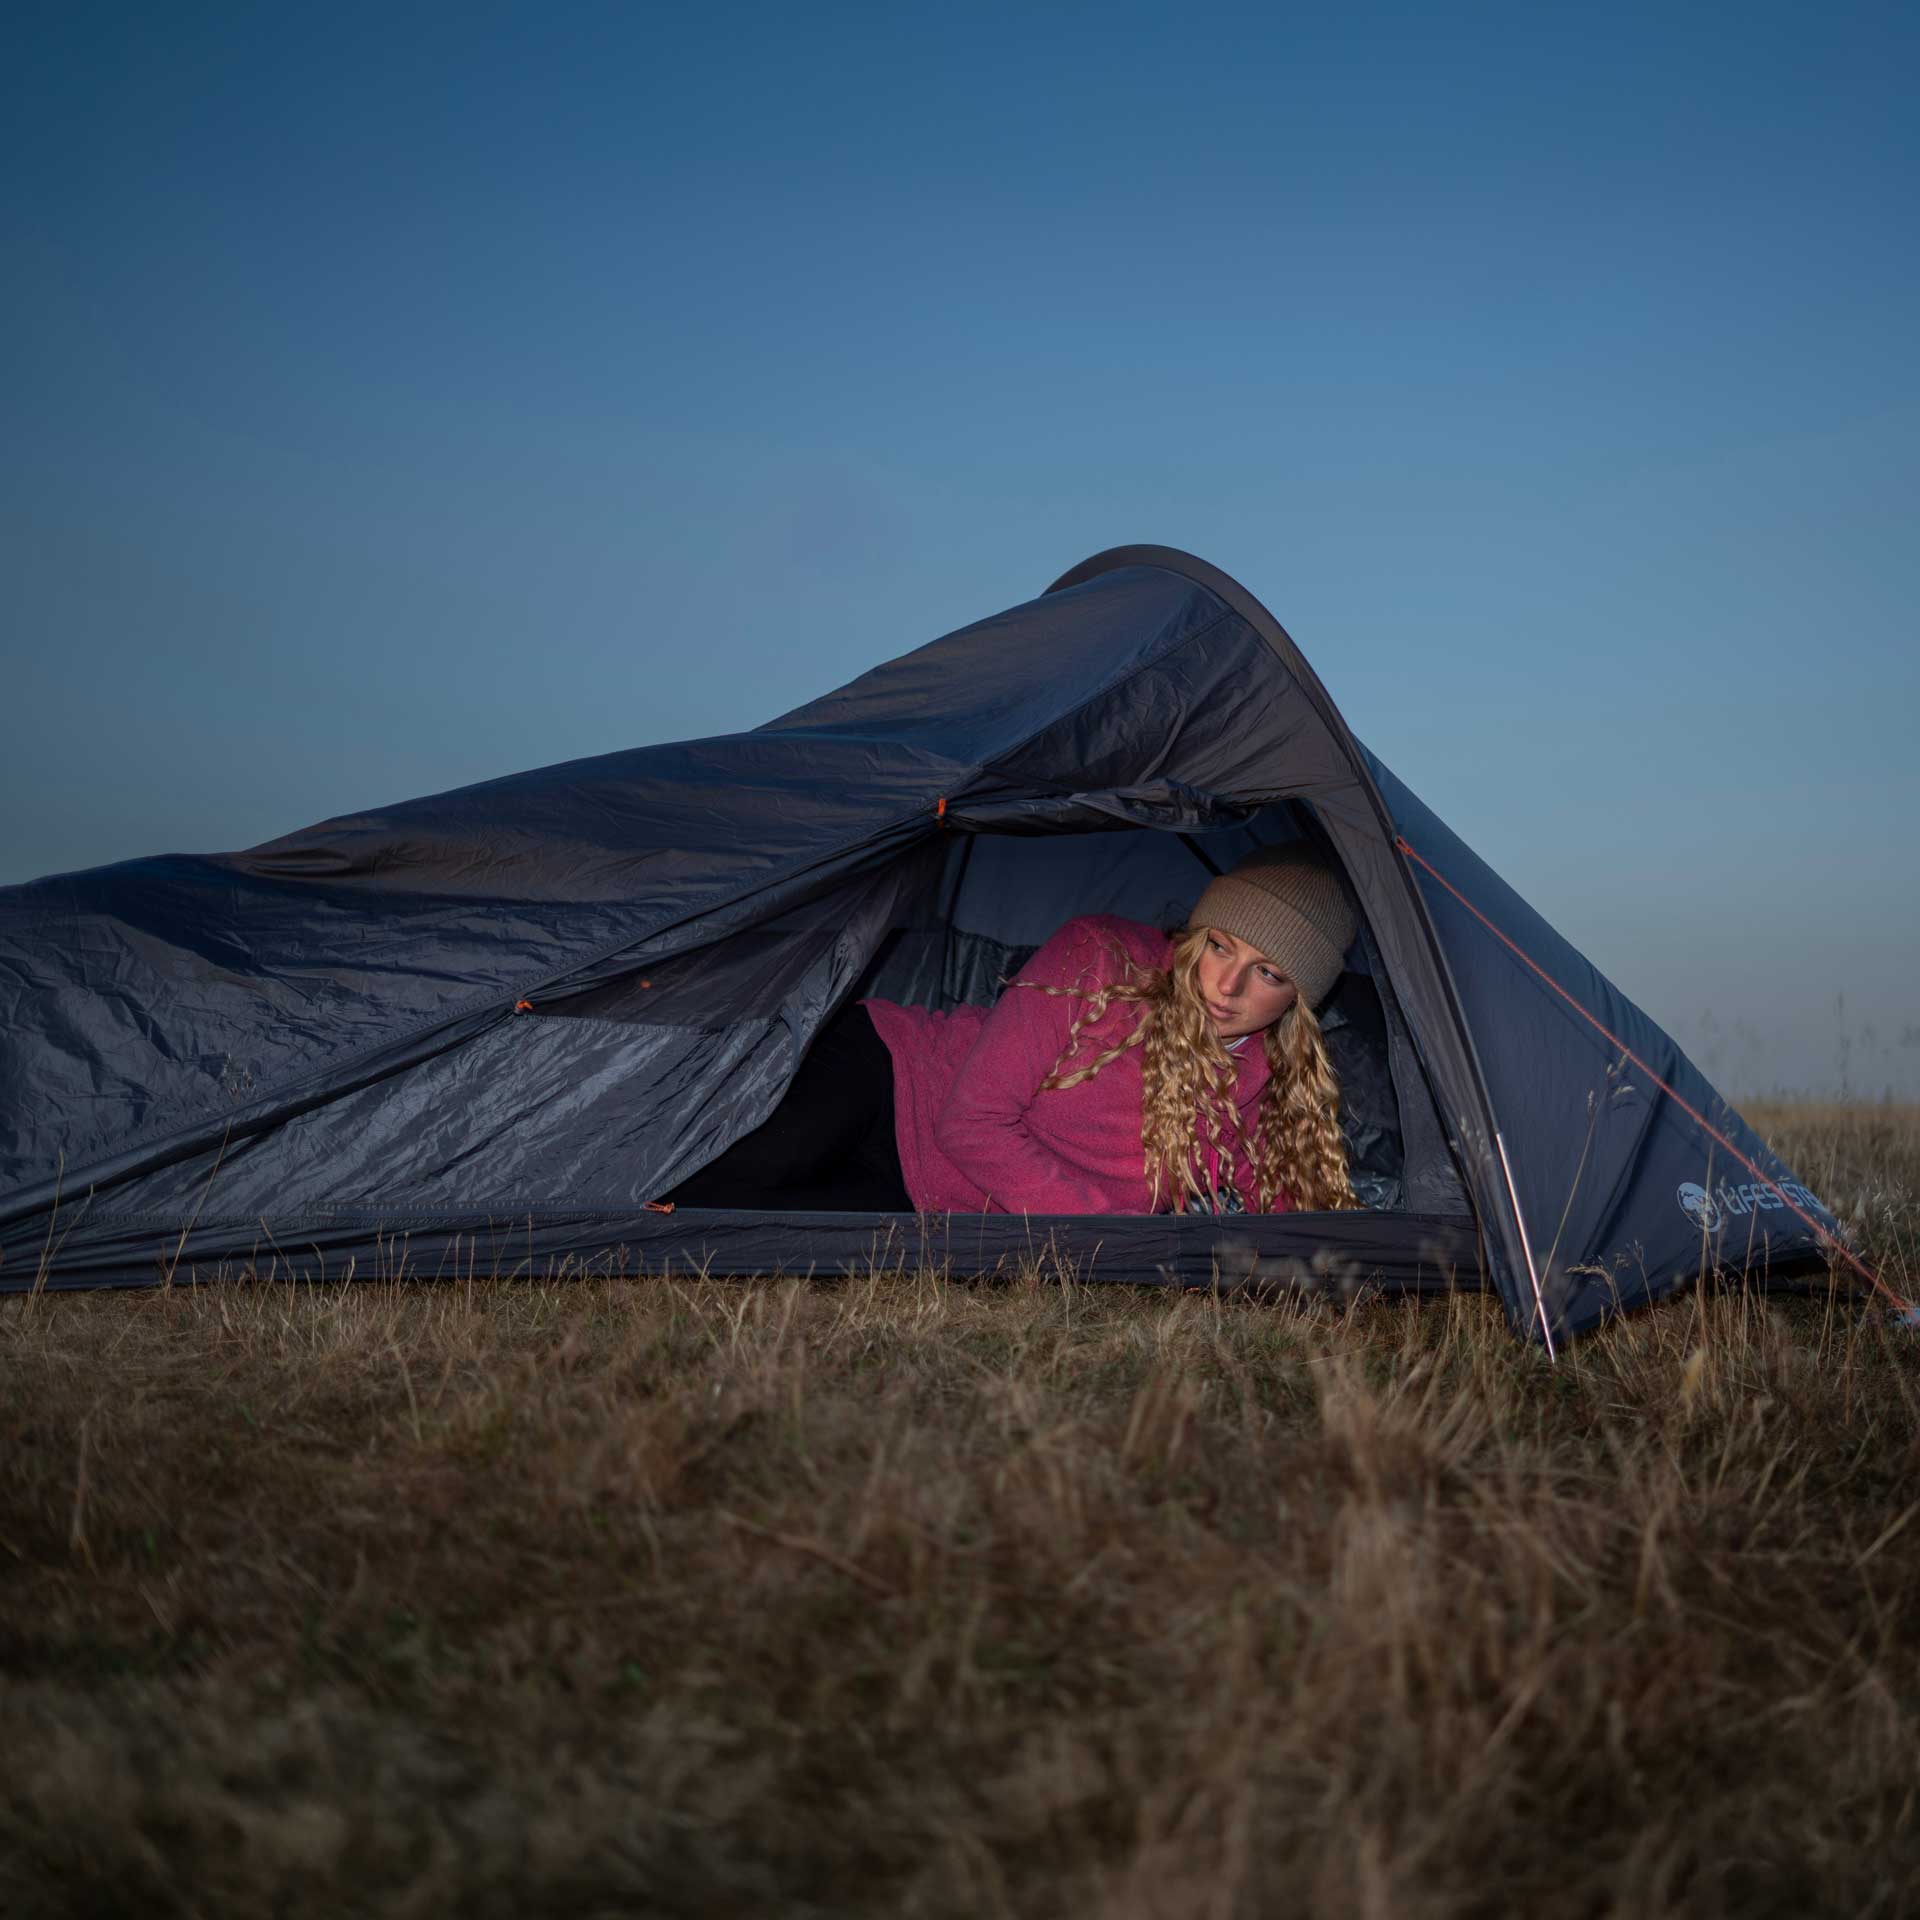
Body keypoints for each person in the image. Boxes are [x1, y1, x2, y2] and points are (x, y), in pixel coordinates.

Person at [662, 845, 1360, 1217]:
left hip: (934, 1197)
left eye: (1268, 973)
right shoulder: (1102, 956)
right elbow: (972, 1121)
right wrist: (1106, 1234)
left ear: (1300, 999)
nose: (1226, 986)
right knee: (699, 1197)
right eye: (1218, 947)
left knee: (763, 1239)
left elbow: (1292, 1217)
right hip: (889, 1079)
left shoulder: (1263, 1086)